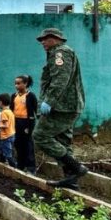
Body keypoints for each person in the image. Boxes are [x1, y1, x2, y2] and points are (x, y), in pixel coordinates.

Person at [33, 28, 88, 188]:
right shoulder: (57, 52)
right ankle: (71, 180)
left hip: (63, 106)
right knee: (63, 141)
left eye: (45, 39)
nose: (42, 42)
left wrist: (49, 101)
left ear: (56, 38)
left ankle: (77, 167)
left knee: (40, 136)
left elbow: (60, 79)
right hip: (65, 106)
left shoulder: (61, 52)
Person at [12, 76, 38, 173]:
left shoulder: (31, 96)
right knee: (18, 144)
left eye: (18, 83)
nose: (16, 85)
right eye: (15, 83)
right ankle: (20, 165)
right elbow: (11, 110)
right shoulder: (14, 96)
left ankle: (31, 168)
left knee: (28, 144)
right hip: (16, 122)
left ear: (25, 84)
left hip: (27, 123)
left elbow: (36, 110)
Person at [0, 93, 17, 168]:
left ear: (1, 102)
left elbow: (5, 125)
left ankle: (16, 168)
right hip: (11, 135)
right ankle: (1, 166)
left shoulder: (4, 112)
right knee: (0, 151)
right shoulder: (10, 112)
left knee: (8, 155)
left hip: (6, 137)